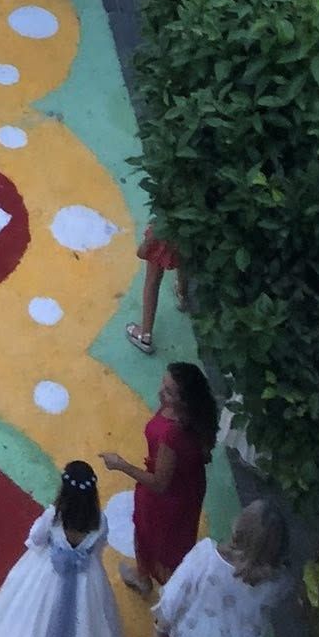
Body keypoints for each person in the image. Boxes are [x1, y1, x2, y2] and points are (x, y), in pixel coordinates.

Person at [102, 362, 219, 599]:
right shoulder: (194, 417)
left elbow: (159, 484)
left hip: (166, 500)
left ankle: (156, 586)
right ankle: (151, 579)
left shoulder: (172, 433)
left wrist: (121, 465)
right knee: (171, 541)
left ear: (184, 400)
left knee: (154, 538)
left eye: (168, 391)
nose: (160, 392)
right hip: (188, 486)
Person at [0, 460, 122, 637]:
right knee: (88, 622)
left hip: (49, 573)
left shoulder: (54, 517)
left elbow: (36, 539)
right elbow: (99, 547)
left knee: (36, 617)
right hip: (87, 578)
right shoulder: (100, 521)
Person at [154, 502, 289, 637]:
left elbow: (174, 595)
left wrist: (161, 629)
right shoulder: (275, 584)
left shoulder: (205, 556)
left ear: (239, 528)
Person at [127, 223, 189, 357]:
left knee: (152, 281)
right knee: (184, 261)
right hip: (189, 232)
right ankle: (183, 296)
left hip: (166, 233)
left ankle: (145, 335)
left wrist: (147, 244)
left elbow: (165, 215)